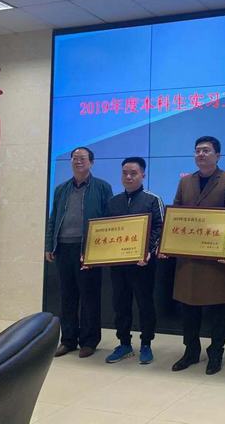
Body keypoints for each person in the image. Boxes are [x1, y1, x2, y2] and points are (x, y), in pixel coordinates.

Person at [168, 136, 225, 375]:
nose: (201, 154)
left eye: (206, 150)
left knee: (218, 309)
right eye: (197, 150)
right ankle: (191, 351)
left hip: (215, 258)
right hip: (189, 258)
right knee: (188, 308)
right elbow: (176, 214)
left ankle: (216, 353)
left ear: (217, 156)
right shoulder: (185, 182)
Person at [45, 146, 113, 358]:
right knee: (67, 297)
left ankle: (89, 341)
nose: (78, 161)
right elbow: (53, 219)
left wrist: (101, 251)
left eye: (82, 158)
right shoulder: (61, 189)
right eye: (74, 158)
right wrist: (49, 245)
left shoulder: (102, 187)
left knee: (90, 297)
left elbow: (109, 220)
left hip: (89, 250)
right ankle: (68, 340)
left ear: (91, 162)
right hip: (64, 248)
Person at [104, 157, 164, 365]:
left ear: (143, 175)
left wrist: (148, 251)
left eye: (133, 173)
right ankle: (124, 344)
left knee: (145, 304)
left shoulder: (152, 199)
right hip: (118, 264)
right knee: (120, 304)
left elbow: (160, 227)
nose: (128, 177)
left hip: (143, 264)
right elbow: (105, 230)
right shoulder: (113, 201)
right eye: (125, 173)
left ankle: (146, 344)